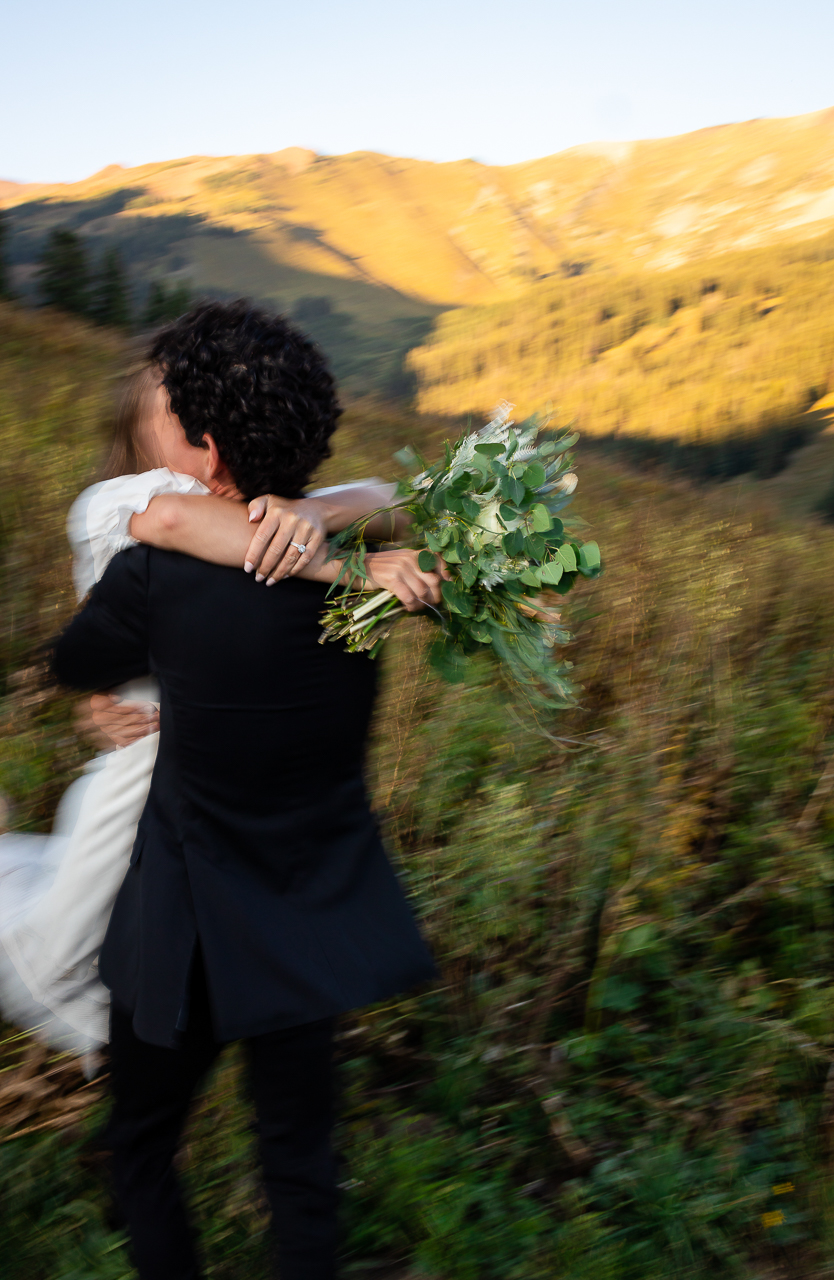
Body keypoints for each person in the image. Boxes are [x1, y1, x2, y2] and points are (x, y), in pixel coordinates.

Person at [51, 299, 440, 1279]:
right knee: (301, 1166)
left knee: (142, 1144)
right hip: (306, 922)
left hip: (176, 932)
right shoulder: (371, 586)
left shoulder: (153, 574)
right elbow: (385, 494)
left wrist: (103, 692)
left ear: (209, 451)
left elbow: (76, 653)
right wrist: (329, 524)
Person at [0, 314, 440, 1061]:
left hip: (206, 779)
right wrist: (343, 565)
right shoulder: (120, 507)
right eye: (175, 413)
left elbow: (387, 495)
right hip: (144, 772)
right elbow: (178, 520)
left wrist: (315, 512)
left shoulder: (259, 509)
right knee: (57, 954)